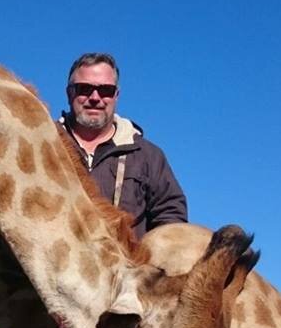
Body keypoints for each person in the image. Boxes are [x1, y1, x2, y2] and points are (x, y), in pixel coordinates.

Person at [59, 52, 187, 240]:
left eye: (106, 91)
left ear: (116, 96)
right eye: (84, 88)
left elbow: (171, 220)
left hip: (125, 268)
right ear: (70, 93)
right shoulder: (43, 145)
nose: (95, 97)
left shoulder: (148, 155)